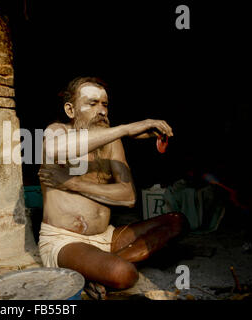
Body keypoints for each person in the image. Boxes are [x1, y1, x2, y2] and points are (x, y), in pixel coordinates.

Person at [37, 77, 188, 297]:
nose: (102, 111)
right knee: (124, 274)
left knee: (176, 222)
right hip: (65, 240)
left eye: (105, 104)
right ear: (70, 109)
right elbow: (56, 150)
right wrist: (127, 129)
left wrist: (74, 183)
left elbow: (128, 197)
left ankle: (94, 272)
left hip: (107, 237)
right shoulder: (56, 131)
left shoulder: (111, 142)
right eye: (92, 103)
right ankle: (106, 268)